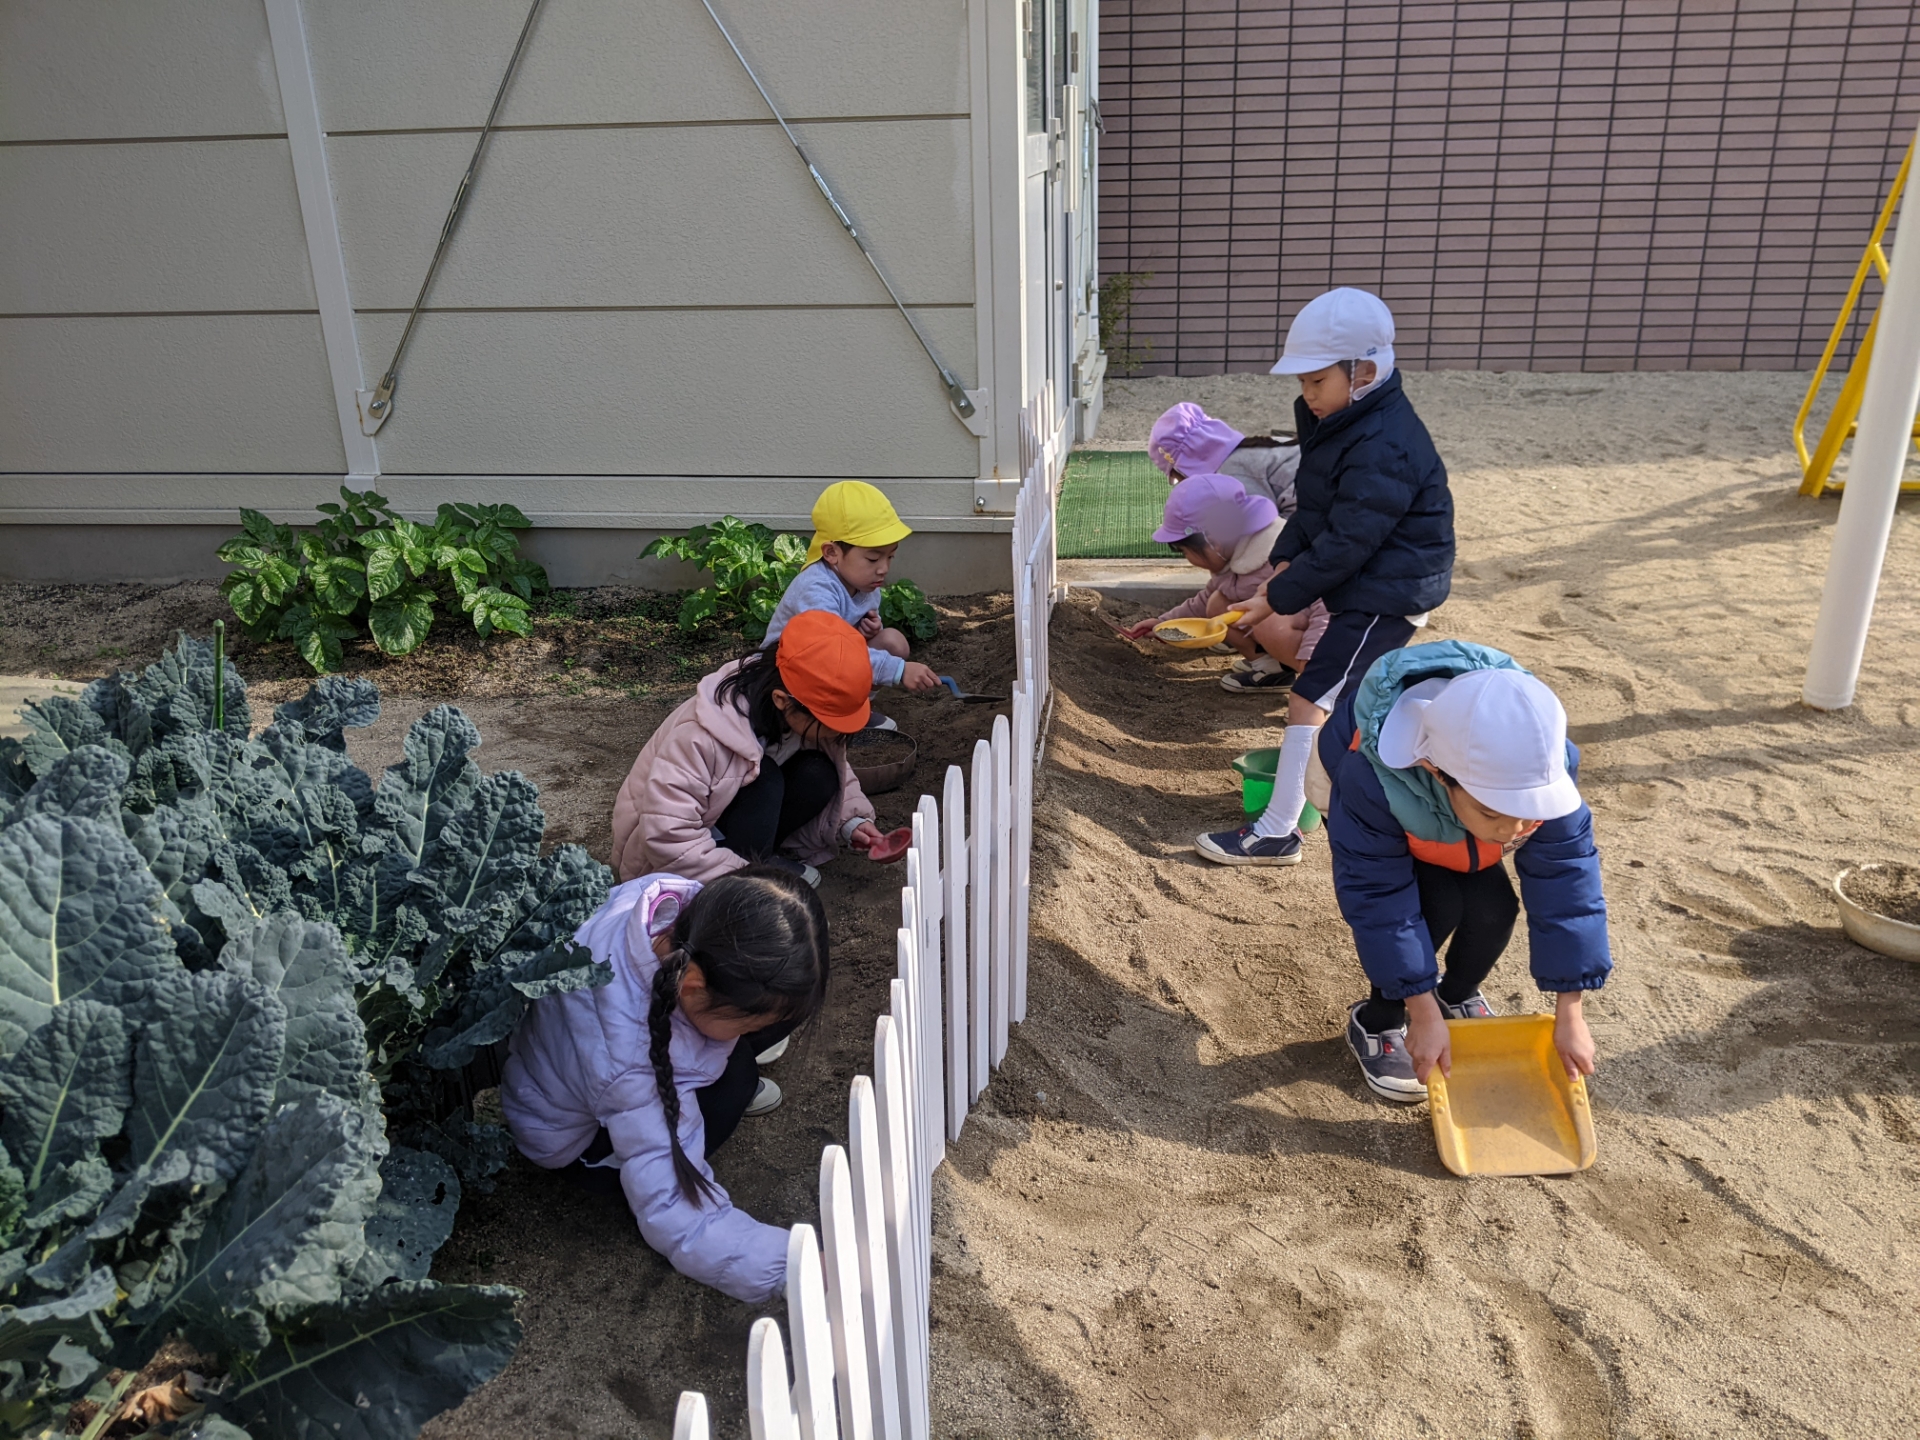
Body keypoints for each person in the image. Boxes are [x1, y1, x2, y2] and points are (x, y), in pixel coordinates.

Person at [1196, 287, 1455, 866]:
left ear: (1363, 373)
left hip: (1390, 589)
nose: (1307, 394)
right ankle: (1360, 801)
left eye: (1317, 381)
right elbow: (1315, 509)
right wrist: (1283, 564)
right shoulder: (1341, 420)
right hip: (1368, 577)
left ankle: (1279, 830)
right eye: (1302, 381)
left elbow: (1349, 540)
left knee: (1313, 694)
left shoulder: (1386, 443)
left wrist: (1278, 596)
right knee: (1351, 699)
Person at [500, 865, 829, 1302]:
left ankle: (728, 1045)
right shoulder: (632, 1064)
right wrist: (789, 1266)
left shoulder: (673, 908)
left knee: (769, 1017)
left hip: (572, 1064)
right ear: (692, 986)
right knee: (733, 1085)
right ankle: (618, 1171)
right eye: (746, 1023)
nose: (754, 1032)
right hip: (572, 1142)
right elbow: (676, 1212)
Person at [1319, 643, 1610, 1101]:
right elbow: (1379, 899)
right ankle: (1378, 1020)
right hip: (1381, 804)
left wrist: (1570, 1012)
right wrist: (1420, 1012)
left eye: (1530, 812)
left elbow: (1568, 885)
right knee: (1435, 905)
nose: (1514, 830)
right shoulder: (1369, 781)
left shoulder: (1543, 765)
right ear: (1438, 772)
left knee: (1494, 908)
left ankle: (1454, 995)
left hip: (1449, 812)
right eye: (1495, 812)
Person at [611, 610, 888, 884]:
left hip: (725, 820)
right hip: (668, 855)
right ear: (782, 700)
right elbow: (667, 834)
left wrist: (852, 821)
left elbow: (838, 765)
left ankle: (760, 856)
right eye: (830, 721)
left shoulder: (798, 709)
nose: (837, 731)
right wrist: (748, 878)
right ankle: (749, 868)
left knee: (819, 772)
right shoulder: (701, 735)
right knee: (763, 777)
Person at [1118, 473, 1329, 687]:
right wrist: (1164, 623)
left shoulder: (1280, 557)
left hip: (1323, 643)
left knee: (1269, 623)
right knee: (1218, 603)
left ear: (1213, 541)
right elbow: (1204, 602)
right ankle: (1273, 670)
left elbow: (1327, 606)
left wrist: (1313, 659)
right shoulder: (1232, 558)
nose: (1188, 559)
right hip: (1291, 631)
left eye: (1185, 551)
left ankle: (1318, 685)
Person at [762, 481, 944, 710]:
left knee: (892, 642)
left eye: (890, 557)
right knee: (880, 658)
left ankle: (856, 708)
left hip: (828, 661)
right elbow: (827, 651)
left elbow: (843, 643)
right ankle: (831, 716)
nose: (883, 569)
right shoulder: (816, 589)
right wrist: (898, 671)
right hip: (784, 674)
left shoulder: (865, 583)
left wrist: (865, 632)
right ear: (831, 553)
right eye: (873, 559)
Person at [1147, 401, 1302, 516]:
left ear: (1183, 470)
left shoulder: (1230, 477)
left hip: (1309, 512)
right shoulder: (1247, 450)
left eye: (1177, 479)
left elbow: (1261, 523)